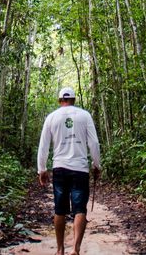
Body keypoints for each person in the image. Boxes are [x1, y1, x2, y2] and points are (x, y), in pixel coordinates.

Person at [36, 87, 101, 255]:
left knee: (59, 209)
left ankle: (59, 250)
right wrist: (96, 165)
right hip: (79, 169)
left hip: (59, 168)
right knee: (80, 209)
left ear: (60, 101)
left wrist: (41, 169)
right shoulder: (84, 115)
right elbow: (94, 143)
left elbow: (43, 146)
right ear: (74, 100)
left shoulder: (52, 117)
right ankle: (76, 249)